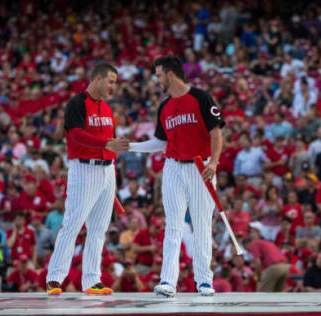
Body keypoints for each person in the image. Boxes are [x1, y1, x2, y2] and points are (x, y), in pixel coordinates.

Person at [127, 55, 225, 297]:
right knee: (173, 225)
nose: (156, 80)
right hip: (172, 167)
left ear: (170, 74)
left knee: (202, 225)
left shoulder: (201, 98)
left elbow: (216, 131)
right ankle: (168, 282)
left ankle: (204, 281)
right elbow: (160, 142)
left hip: (200, 166)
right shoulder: (164, 106)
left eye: (158, 75)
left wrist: (214, 161)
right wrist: (130, 146)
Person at [45, 64, 129, 296]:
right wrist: (105, 144)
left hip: (107, 169)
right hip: (84, 168)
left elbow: (108, 141)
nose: (114, 86)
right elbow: (75, 134)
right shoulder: (77, 103)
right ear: (98, 79)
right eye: (111, 81)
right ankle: (54, 278)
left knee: (99, 228)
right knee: (72, 224)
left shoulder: (108, 109)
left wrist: (114, 148)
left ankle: (92, 280)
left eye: (115, 82)